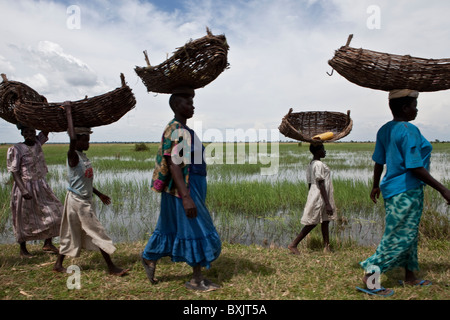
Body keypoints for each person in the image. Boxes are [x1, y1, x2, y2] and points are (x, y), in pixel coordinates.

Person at [357, 89, 450, 297]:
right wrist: (444, 190)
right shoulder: (408, 130)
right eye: (414, 106)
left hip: (392, 190)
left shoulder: (384, 130)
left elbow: (378, 161)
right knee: (397, 236)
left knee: (409, 234)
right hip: (407, 190)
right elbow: (414, 167)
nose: (417, 110)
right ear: (405, 107)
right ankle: (371, 277)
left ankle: (410, 276)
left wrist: (375, 185)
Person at [141, 87, 222, 291]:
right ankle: (196, 280)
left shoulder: (185, 130)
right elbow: (174, 163)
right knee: (196, 226)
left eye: (193, 102)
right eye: (188, 102)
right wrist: (186, 196)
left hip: (191, 185)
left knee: (170, 226)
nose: (192, 106)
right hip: (183, 188)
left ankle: (149, 257)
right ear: (177, 105)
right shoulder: (175, 129)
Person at [53, 102, 128, 276]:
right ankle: (111, 267)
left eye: (88, 139)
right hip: (78, 201)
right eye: (84, 139)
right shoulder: (72, 156)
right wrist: (69, 112)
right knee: (97, 231)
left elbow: (84, 181)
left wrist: (99, 194)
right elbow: (71, 139)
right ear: (77, 140)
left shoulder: (83, 157)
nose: (88, 142)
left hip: (82, 199)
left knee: (71, 231)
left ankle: (58, 264)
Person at [6, 124, 62, 257]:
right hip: (25, 186)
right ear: (22, 134)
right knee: (24, 218)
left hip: (41, 185)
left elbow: (47, 130)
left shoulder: (38, 142)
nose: (30, 134)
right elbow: (14, 172)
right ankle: (23, 250)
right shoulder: (17, 148)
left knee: (56, 212)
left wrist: (44, 111)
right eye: (26, 132)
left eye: (32, 131)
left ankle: (48, 243)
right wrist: (23, 190)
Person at [288, 142, 336, 255]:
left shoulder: (311, 164)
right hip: (320, 195)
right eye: (323, 149)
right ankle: (293, 244)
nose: (325, 151)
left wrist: (311, 195)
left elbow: (310, 184)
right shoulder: (318, 164)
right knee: (312, 222)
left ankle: (327, 247)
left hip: (316, 194)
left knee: (325, 220)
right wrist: (327, 203)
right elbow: (321, 183)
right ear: (317, 151)